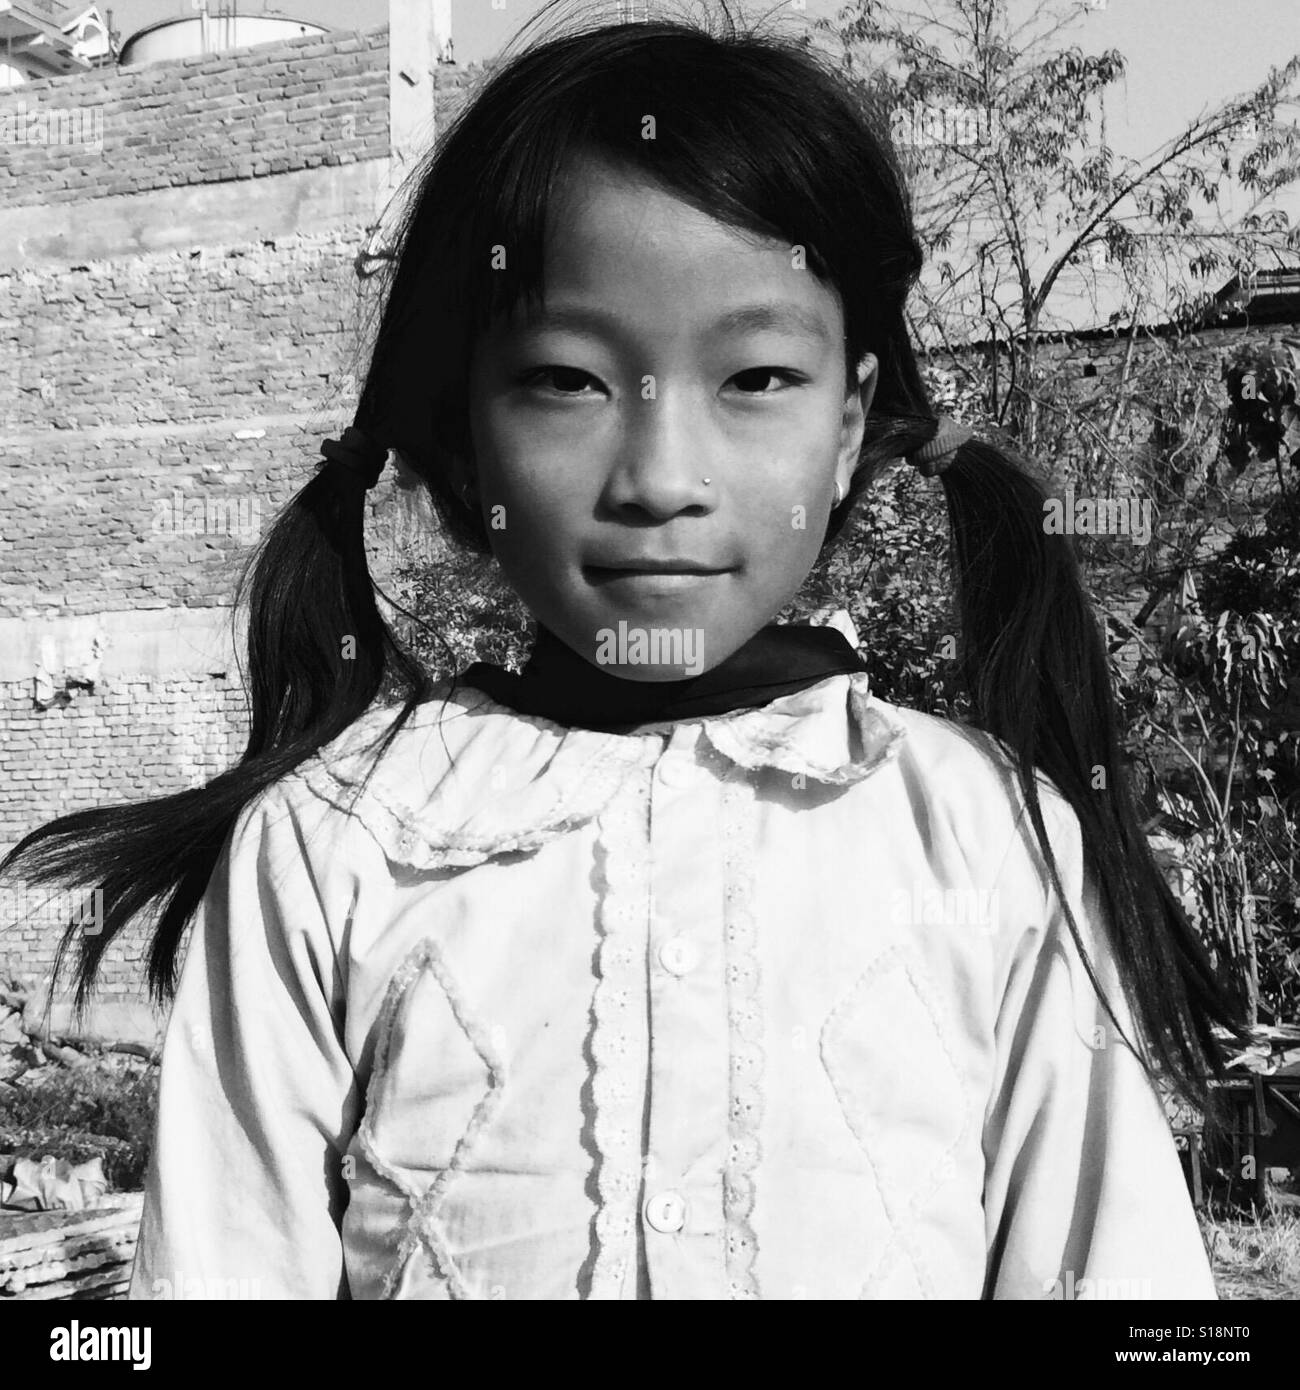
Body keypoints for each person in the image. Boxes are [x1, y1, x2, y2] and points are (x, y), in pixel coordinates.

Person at [2, 3, 1242, 1300]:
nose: (660, 476)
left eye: (756, 378)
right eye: (570, 381)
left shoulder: (981, 837)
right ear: (463, 433)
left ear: (850, 421)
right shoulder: (334, 849)